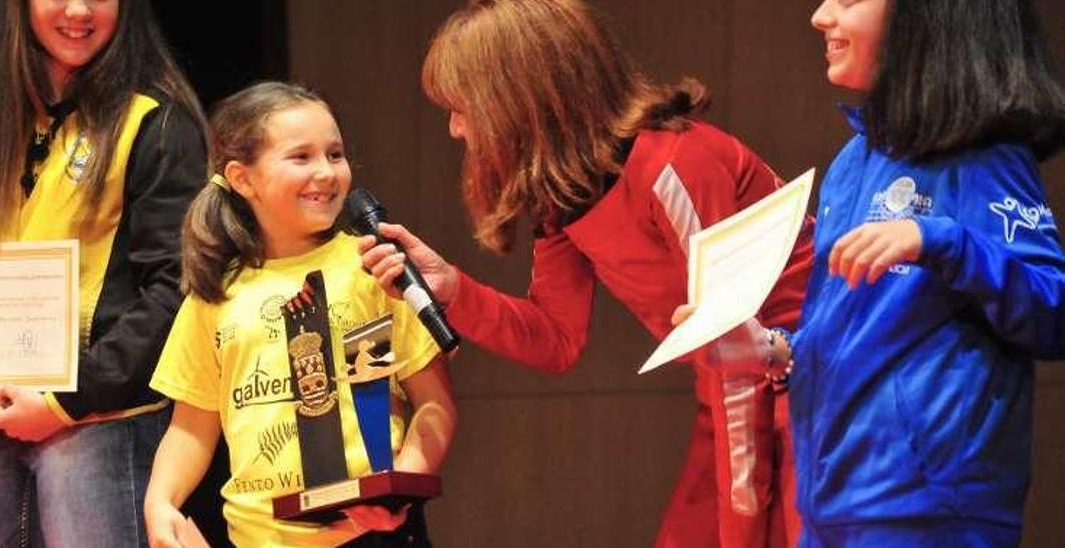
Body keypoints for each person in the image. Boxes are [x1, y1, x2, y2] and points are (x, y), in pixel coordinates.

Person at [358, 0, 814, 546]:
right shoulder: (568, 200)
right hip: (733, 395)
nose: (456, 129)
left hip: (812, 390)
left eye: (462, 107)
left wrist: (741, 526)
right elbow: (556, 340)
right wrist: (453, 288)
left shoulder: (673, 162)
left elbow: (738, 349)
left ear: (521, 99)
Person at [0, 0, 207, 545]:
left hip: (99, 426)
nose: (78, 10)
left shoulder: (155, 122)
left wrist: (69, 399)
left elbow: (174, 290)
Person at [779, 0, 1065, 544]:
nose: (820, 16)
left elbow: (1055, 309)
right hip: (831, 506)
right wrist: (772, 351)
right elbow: (852, 330)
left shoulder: (985, 155)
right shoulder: (851, 162)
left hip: (927, 510)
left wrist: (943, 241)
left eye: (848, 0)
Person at [143, 81, 458, 548]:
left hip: (372, 534)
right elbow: (192, 426)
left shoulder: (373, 268)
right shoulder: (216, 294)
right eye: (301, 157)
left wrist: (400, 489)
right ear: (242, 178)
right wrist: (160, 502)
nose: (327, 173)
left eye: (335, 154)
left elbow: (435, 403)